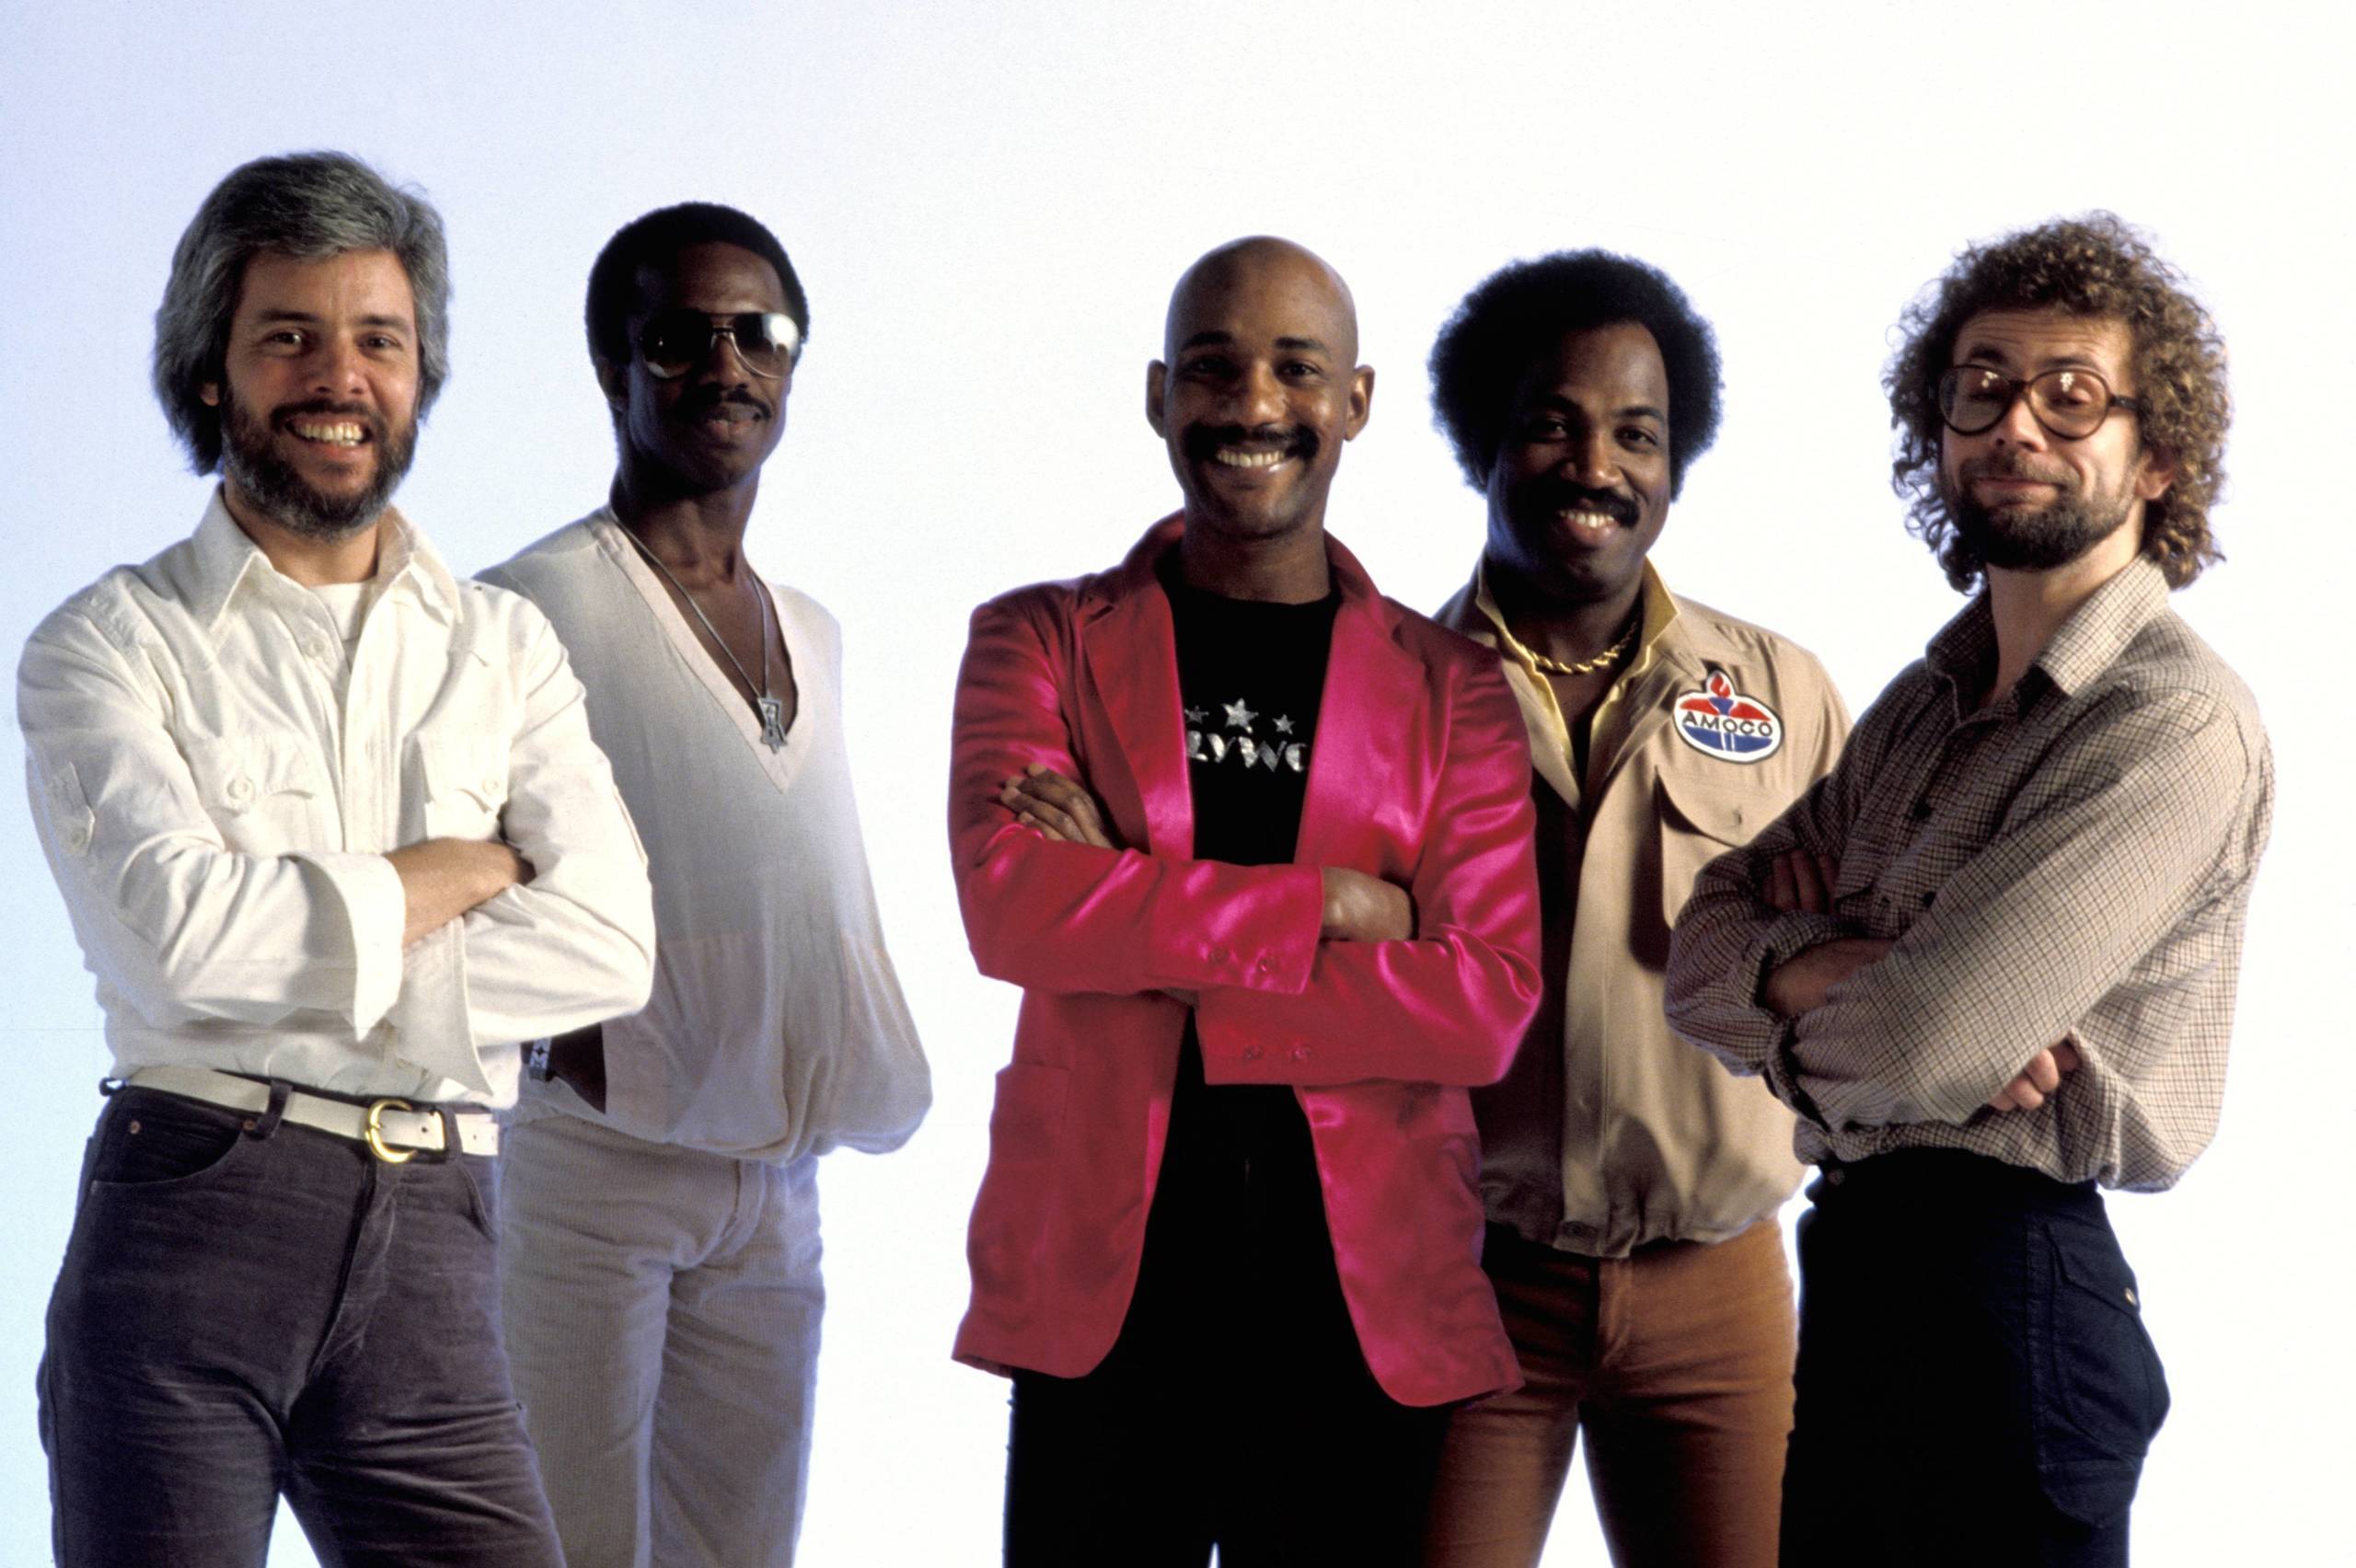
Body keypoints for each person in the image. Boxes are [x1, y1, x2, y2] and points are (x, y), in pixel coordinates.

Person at [19, 150, 656, 1566]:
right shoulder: (106, 647)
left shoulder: (504, 649)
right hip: (190, 1228)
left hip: (440, 1238)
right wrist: (459, 867)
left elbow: (612, 945)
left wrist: (295, 952)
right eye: (288, 337)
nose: (339, 376)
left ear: (421, 380)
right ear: (211, 375)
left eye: (380, 340)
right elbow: (176, 943)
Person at [1664, 213, 2272, 1568]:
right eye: (1982, 389)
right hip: (1863, 1272)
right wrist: (1830, 965)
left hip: (2019, 1300)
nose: (2018, 426)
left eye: (2074, 397)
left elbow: (1932, 1040)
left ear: (2157, 454)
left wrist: (1834, 990)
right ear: (1936, 430)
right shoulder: (1917, 712)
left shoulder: (2169, 724)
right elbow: (1697, 945)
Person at [948, 236, 1543, 1565]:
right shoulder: (1036, 637)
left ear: (1359, 402)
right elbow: (1016, 910)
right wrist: (1337, 905)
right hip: (1104, 1292)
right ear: (1160, 395)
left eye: (1296, 370)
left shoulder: (1455, 691)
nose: (1253, 405)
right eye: (1213, 369)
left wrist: (1139, 903)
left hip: (1362, 1308)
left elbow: (1484, 1008)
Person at [480, 202, 930, 1568]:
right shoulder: (526, 608)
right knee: (559, 1547)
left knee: (743, 1553)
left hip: (778, 1189)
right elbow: (436, 869)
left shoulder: (817, 631)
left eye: (760, 333)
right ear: (615, 366)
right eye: (680, 337)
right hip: (591, 1176)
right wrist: (553, 1035)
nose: (726, 365)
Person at [1417, 251, 1848, 1568]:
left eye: (1637, 434)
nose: (1596, 463)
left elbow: (1869, 962)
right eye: (1553, 421)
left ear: (1677, 461)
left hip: (1719, 1284)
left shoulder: (1779, 692)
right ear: (1485, 436)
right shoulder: (1393, 692)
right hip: (1473, 1281)